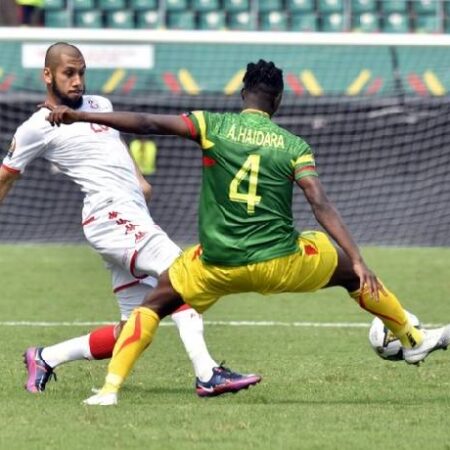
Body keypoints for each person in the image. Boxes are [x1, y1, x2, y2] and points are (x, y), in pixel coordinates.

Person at [42, 59, 450, 407]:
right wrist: (358, 260)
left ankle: (110, 390)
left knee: (153, 305)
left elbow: (147, 122)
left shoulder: (212, 125)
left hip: (217, 265)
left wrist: (81, 115)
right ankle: (411, 338)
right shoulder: (293, 146)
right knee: (345, 270)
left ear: (242, 95)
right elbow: (319, 203)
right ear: (279, 100)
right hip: (282, 264)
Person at [0, 42, 261, 398]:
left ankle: (45, 357)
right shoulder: (36, 126)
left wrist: (138, 179)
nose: (77, 81)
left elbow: (114, 141)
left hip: (131, 212)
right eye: (68, 73)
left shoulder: (99, 106)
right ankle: (207, 373)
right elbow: (6, 176)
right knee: (181, 273)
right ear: (47, 75)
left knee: (134, 327)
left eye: (81, 72)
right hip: (109, 214)